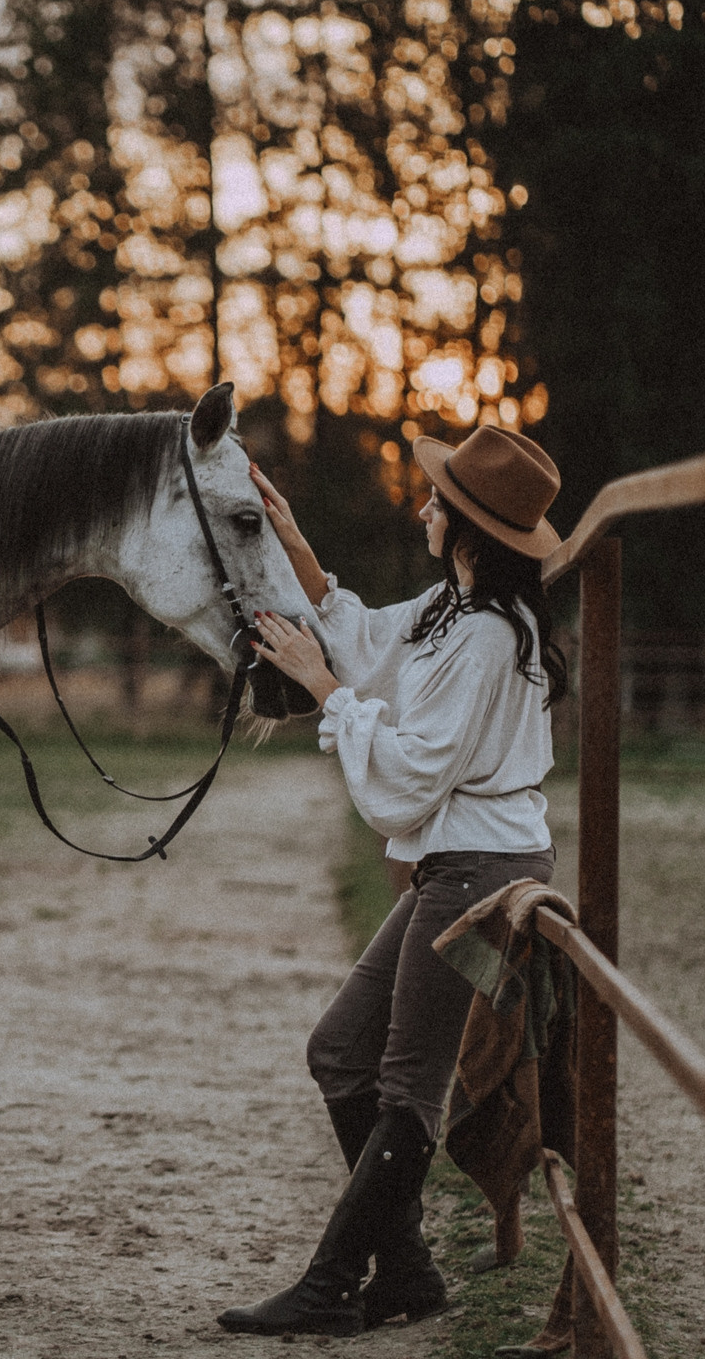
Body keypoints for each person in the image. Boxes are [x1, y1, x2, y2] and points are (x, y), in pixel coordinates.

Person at [216, 424, 570, 1338]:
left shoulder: (490, 635)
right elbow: (370, 635)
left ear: (467, 527)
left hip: (483, 875)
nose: (422, 503)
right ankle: (406, 1269)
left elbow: (414, 770)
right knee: (341, 1052)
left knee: (408, 1082)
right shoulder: (451, 609)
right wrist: (292, 539)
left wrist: (325, 691)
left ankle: (329, 1285)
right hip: (457, 867)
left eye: (437, 498)